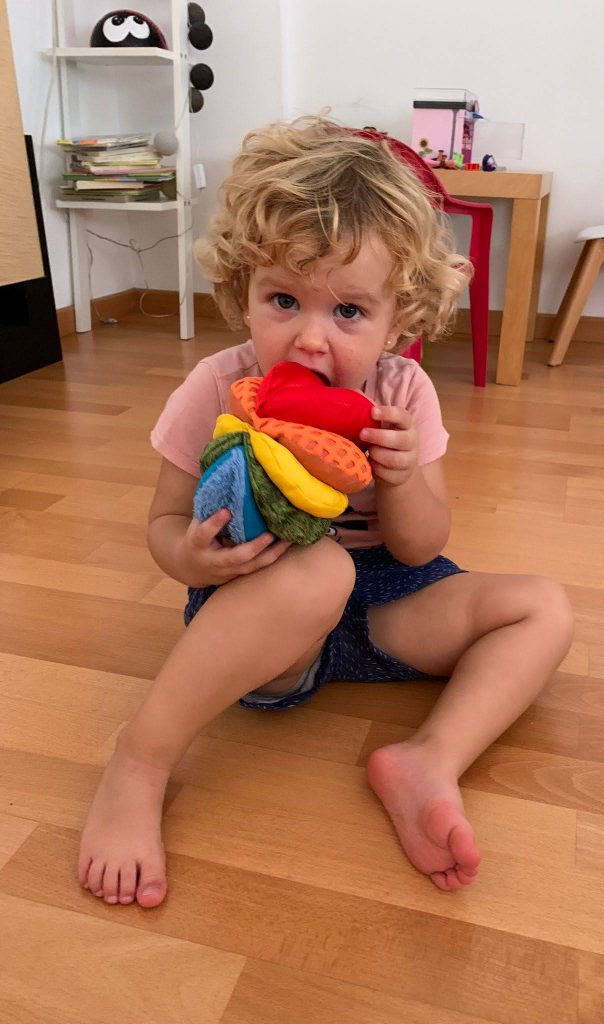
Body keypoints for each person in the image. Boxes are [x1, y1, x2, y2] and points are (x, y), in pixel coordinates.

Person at [78, 118, 573, 907]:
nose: (310, 339)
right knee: (320, 569)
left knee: (542, 608)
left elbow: (420, 550)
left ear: (399, 323)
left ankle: (428, 761)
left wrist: (405, 476)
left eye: (348, 312)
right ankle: (139, 761)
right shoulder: (216, 386)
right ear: (242, 293)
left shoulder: (402, 393)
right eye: (284, 300)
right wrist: (193, 559)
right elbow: (161, 525)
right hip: (268, 608)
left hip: (384, 607)